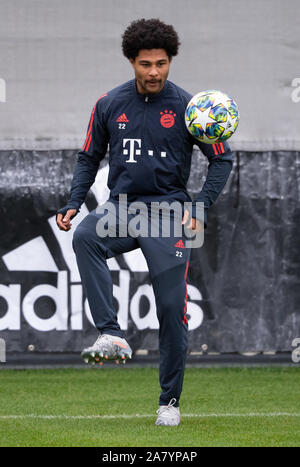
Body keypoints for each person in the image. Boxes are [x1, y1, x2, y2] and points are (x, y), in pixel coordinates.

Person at [56, 18, 233, 426]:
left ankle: (168, 403)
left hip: (168, 214)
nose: (154, 71)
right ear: (131, 62)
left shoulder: (192, 108)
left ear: (171, 61)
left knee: (171, 310)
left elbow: (222, 158)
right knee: (85, 236)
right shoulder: (109, 104)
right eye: (145, 64)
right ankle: (111, 334)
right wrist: (74, 202)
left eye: (161, 63)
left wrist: (201, 205)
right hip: (121, 208)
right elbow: (88, 157)